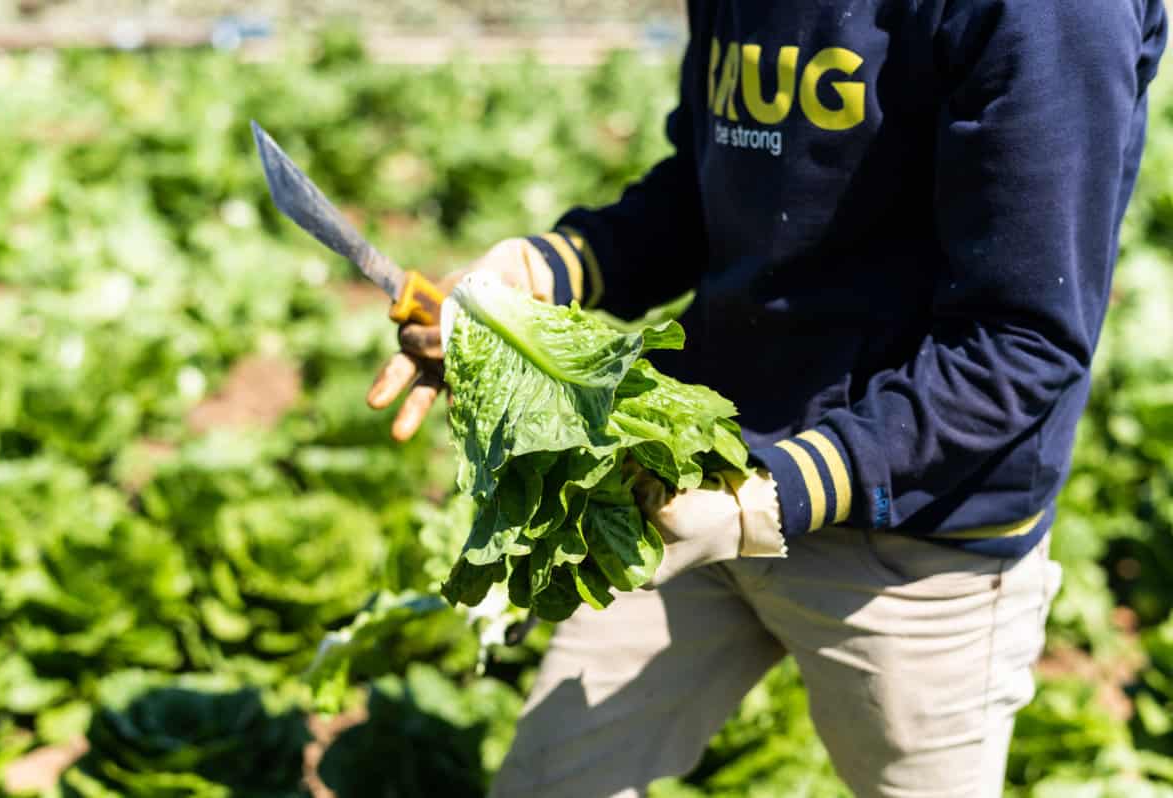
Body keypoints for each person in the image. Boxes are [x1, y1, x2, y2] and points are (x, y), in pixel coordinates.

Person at [367, 1, 1168, 795]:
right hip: (695, 482)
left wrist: (768, 501)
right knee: (552, 784)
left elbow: (1021, 345)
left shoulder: (1054, 14)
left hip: (917, 547)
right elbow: (710, 186)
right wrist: (544, 272)